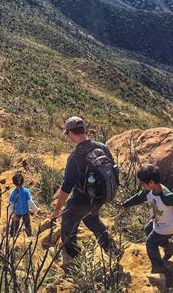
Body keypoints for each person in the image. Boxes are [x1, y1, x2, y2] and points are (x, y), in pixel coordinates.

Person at [51, 116, 121, 271]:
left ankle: (74, 263)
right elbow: (113, 169)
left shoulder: (75, 157)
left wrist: (57, 210)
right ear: (84, 130)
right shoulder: (102, 147)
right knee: (93, 221)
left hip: (80, 201)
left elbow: (66, 187)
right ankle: (113, 251)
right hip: (100, 198)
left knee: (68, 227)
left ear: (70, 133)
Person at [121, 164, 173, 288]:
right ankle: (169, 246)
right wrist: (124, 204)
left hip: (169, 225)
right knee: (148, 228)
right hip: (159, 221)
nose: (141, 185)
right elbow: (139, 197)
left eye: (142, 183)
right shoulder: (149, 190)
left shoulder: (166, 196)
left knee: (151, 243)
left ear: (152, 182)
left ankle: (162, 269)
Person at [9, 172, 41, 237]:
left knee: (14, 226)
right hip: (25, 212)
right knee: (27, 225)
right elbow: (30, 202)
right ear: (23, 181)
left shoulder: (13, 193)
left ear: (13, 182)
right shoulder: (26, 191)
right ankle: (30, 237)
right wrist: (36, 210)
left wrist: (12, 215)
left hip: (16, 213)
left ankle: (12, 237)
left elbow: (11, 205)